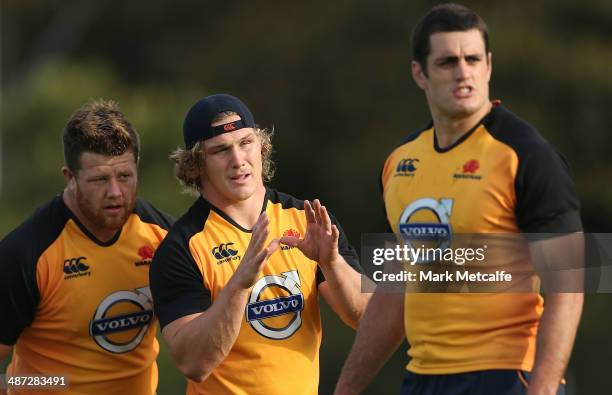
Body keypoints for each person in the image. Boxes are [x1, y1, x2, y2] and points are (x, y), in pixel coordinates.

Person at [335, 3, 583, 395]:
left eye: (472, 59)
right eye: (448, 61)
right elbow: (394, 289)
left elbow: (568, 287)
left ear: (488, 65)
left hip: (506, 376)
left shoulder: (527, 155)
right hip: (422, 378)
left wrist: (544, 388)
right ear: (420, 73)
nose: (463, 72)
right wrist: (345, 388)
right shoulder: (400, 163)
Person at [149, 93, 372, 395]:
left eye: (245, 143)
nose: (238, 160)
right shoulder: (181, 247)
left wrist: (331, 264)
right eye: (221, 150)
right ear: (196, 165)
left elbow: (366, 319)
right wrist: (238, 286)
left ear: (261, 146)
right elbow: (194, 364)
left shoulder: (308, 220)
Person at [0, 100, 174, 394]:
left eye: (125, 176)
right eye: (99, 180)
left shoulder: (162, 235)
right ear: (71, 178)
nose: (115, 192)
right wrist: (44, 384)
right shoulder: (25, 254)